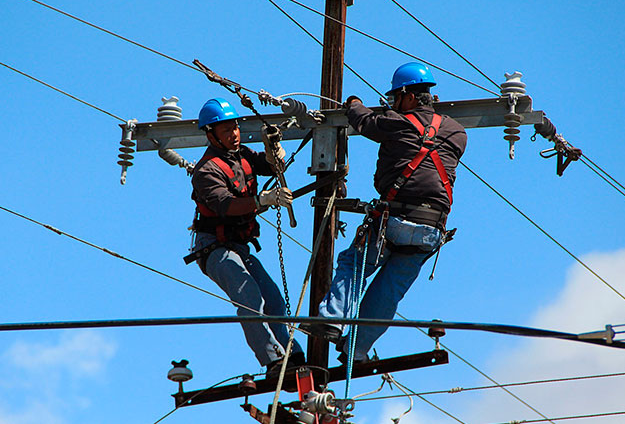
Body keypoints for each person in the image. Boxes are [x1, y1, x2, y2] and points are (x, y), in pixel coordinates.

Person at [304, 62, 467, 363]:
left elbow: (364, 121)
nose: (393, 104)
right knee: (389, 291)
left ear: (409, 96)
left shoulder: (397, 122)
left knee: (354, 265)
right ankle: (357, 349)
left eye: (396, 98)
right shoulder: (457, 132)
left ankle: (332, 319)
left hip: (394, 219)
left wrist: (353, 103)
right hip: (431, 229)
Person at [186, 97, 304, 379]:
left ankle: (293, 354)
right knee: (249, 295)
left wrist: (273, 151)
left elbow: (270, 167)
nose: (234, 134)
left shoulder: (242, 155)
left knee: (273, 299)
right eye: (226, 130)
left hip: (239, 246)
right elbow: (225, 204)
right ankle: (273, 360)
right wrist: (263, 200)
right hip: (213, 247)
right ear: (211, 134)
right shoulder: (206, 170)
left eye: (235, 127)